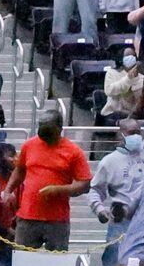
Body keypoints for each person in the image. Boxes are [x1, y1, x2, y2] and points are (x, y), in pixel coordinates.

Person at [11, 104, 90, 250]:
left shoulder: (74, 151)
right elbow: (20, 170)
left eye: (49, 129)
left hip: (57, 220)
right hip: (28, 216)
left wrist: (58, 190)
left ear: (59, 128)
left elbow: (84, 184)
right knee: (22, 262)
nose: (44, 132)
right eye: (42, 127)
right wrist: (8, 190)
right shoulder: (29, 145)